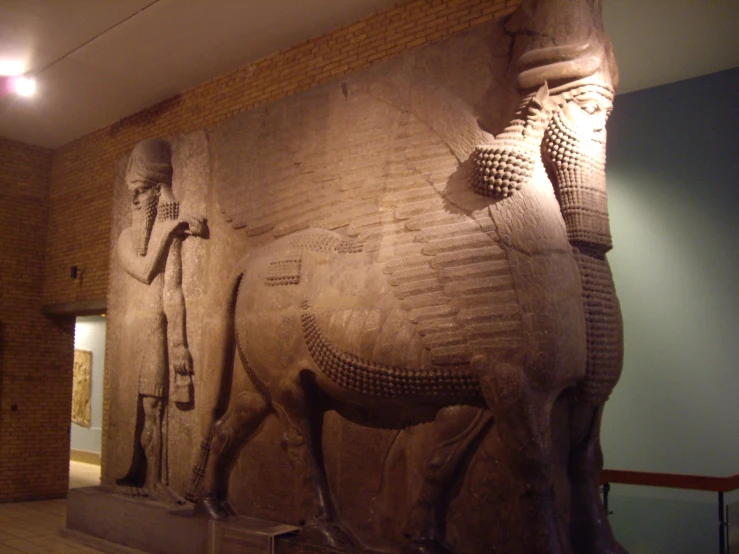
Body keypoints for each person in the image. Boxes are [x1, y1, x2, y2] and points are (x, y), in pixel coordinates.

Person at [115, 138, 206, 501]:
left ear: (156, 190)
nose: (134, 200)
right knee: (149, 408)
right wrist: (171, 228)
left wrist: (181, 344)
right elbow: (143, 268)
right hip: (137, 335)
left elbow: (173, 290)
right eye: (131, 193)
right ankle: (149, 478)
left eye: (140, 191)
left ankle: (157, 481)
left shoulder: (167, 236)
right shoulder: (126, 238)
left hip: (159, 334)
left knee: (158, 410)